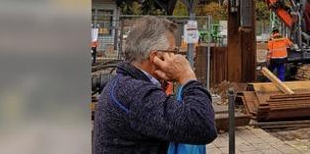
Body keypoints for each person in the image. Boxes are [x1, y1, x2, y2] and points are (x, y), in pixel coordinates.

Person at [93, 16, 217, 153]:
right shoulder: (135, 94)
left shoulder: (124, 84)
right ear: (155, 57)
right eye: (173, 51)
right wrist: (187, 77)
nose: (176, 57)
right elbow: (203, 126)